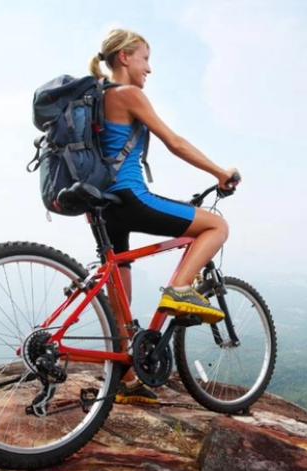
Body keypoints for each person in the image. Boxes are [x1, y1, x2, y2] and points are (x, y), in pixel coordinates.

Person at [89, 29, 240, 404]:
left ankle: (125, 377)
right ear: (124, 57)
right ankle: (180, 290)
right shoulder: (128, 94)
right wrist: (220, 173)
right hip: (128, 197)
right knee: (216, 225)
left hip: (100, 206)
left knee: (119, 278)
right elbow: (176, 143)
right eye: (144, 58)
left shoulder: (96, 97)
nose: (149, 69)